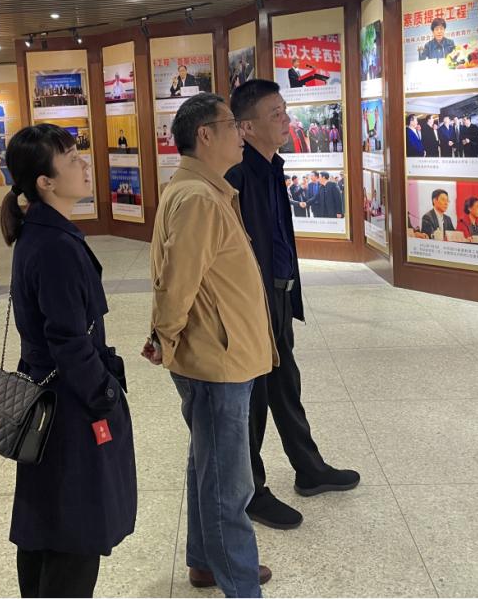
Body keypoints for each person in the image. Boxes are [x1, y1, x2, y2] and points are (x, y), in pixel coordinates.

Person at [145, 93, 277, 597]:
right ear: (205, 134)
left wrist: (165, 336)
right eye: (231, 124)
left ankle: (205, 561)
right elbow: (177, 282)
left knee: (208, 461)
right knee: (228, 481)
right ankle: (239, 582)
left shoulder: (200, 189)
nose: (240, 133)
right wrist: (164, 336)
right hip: (216, 359)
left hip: (217, 352)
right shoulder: (199, 197)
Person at [0, 125, 136, 597]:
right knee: (74, 528)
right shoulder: (55, 245)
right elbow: (68, 339)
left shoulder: (42, 233)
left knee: (47, 522)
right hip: (68, 407)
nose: (84, 165)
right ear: (46, 182)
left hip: (48, 399)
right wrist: (104, 394)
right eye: (72, 159)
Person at [227, 81, 359, 530]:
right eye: (276, 114)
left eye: (285, 111)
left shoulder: (271, 166)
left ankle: (309, 468)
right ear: (246, 127)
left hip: (279, 296)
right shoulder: (237, 176)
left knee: (286, 386)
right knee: (254, 400)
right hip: (253, 305)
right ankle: (252, 491)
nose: (287, 120)